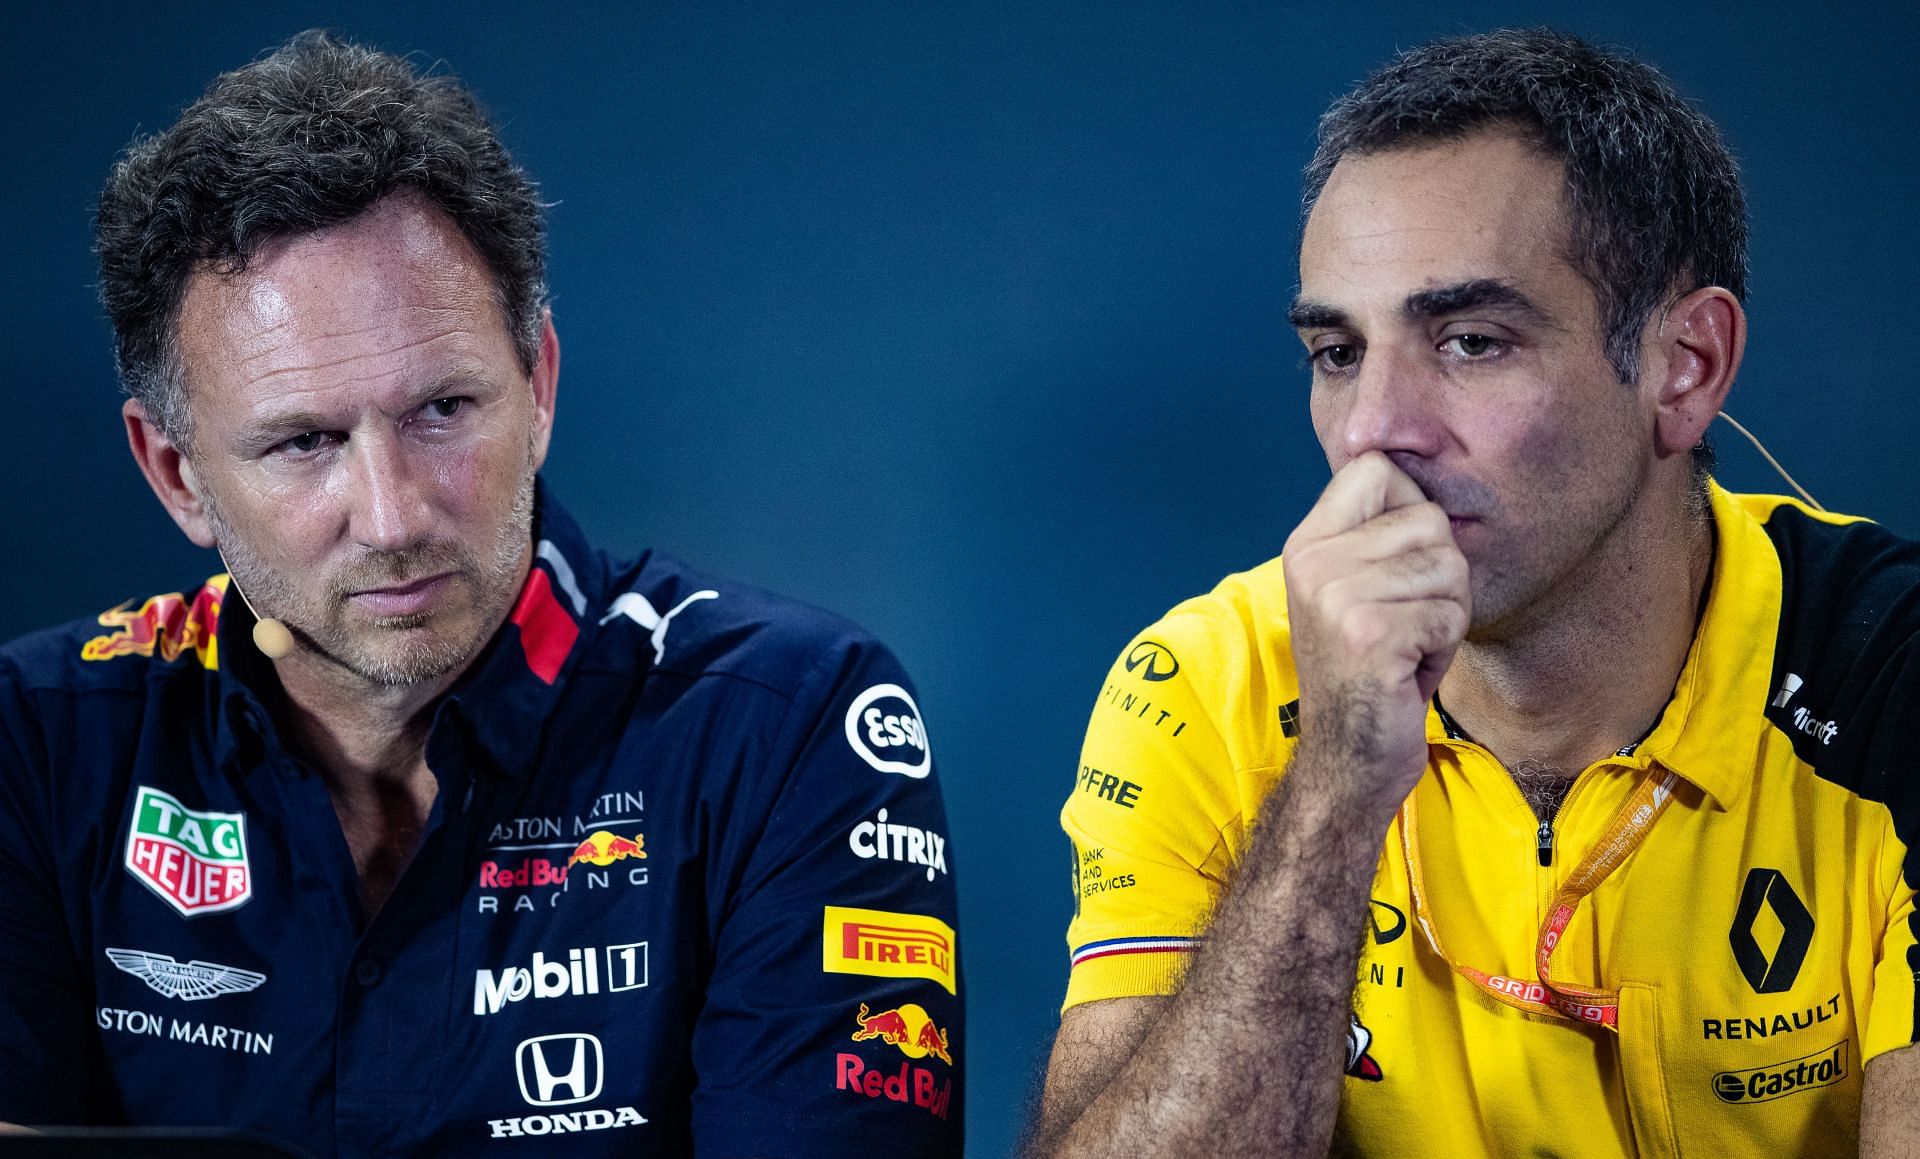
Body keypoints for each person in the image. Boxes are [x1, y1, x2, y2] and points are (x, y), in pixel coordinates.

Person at [0, 31, 961, 1156]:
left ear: (539, 384)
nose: (395, 512)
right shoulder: (38, 742)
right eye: (305, 442)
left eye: (442, 411)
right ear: (176, 474)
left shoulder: (785, 726)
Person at [1032, 28, 1920, 1158]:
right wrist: (1337, 785)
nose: (1371, 435)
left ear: (1684, 366)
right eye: (1338, 353)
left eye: (1470, 341)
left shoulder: (1890, 669)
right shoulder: (1207, 687)